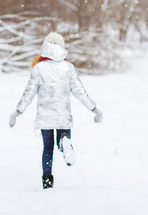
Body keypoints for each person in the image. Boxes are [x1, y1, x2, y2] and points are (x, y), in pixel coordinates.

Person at [9, 32, 103, 189]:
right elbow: (80, 92)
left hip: (45, 116)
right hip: (62, 115)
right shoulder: (68, 68)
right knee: (62, 143)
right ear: (62, 47)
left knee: (47, 147)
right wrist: (94, 109)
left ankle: (47, 181)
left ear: (45, 47)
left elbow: (28, 93)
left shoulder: (38, 68)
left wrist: (17, 112)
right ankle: (64, 140)